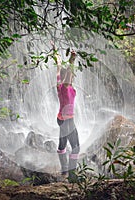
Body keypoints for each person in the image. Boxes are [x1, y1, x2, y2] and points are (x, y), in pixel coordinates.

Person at [53, 47, 80, 183]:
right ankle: (72, 174)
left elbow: (59, 68)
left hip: (61, 119)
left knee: (62, 144)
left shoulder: (59, 85)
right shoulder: (65, 87)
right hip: (68, 120)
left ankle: (64, 169)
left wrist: (56, 54)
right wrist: (72, 60)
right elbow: (68, 72)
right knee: (76, 147)